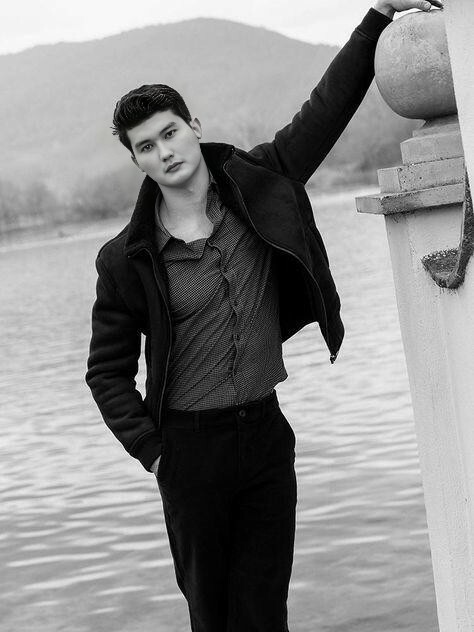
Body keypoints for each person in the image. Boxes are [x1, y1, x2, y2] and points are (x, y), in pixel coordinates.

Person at [85, 1, 442, 629]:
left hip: (266, 436)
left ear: (194, 126)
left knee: (264, 613)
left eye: (170, 132)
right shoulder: (127, 258)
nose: (164, 151)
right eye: (146, 146)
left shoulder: (260, 183)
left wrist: (379, 15)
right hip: (189, 451)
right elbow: (105, 373)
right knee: (212, 616)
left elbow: (324, 111)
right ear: (137, 160)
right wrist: (155, 452)